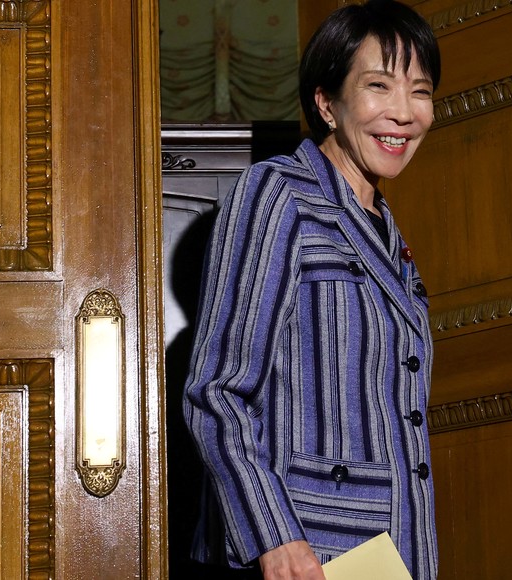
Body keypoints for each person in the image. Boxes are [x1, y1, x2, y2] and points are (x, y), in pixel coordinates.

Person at [183, 1, 441, 578]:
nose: (403, 113)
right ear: (327, 103)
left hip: (390, 549)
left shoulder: (388, 231)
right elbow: (217, 391)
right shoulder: (278, 195)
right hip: (306, 551)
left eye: (420, 91)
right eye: (379, 86)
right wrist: (273, 536)